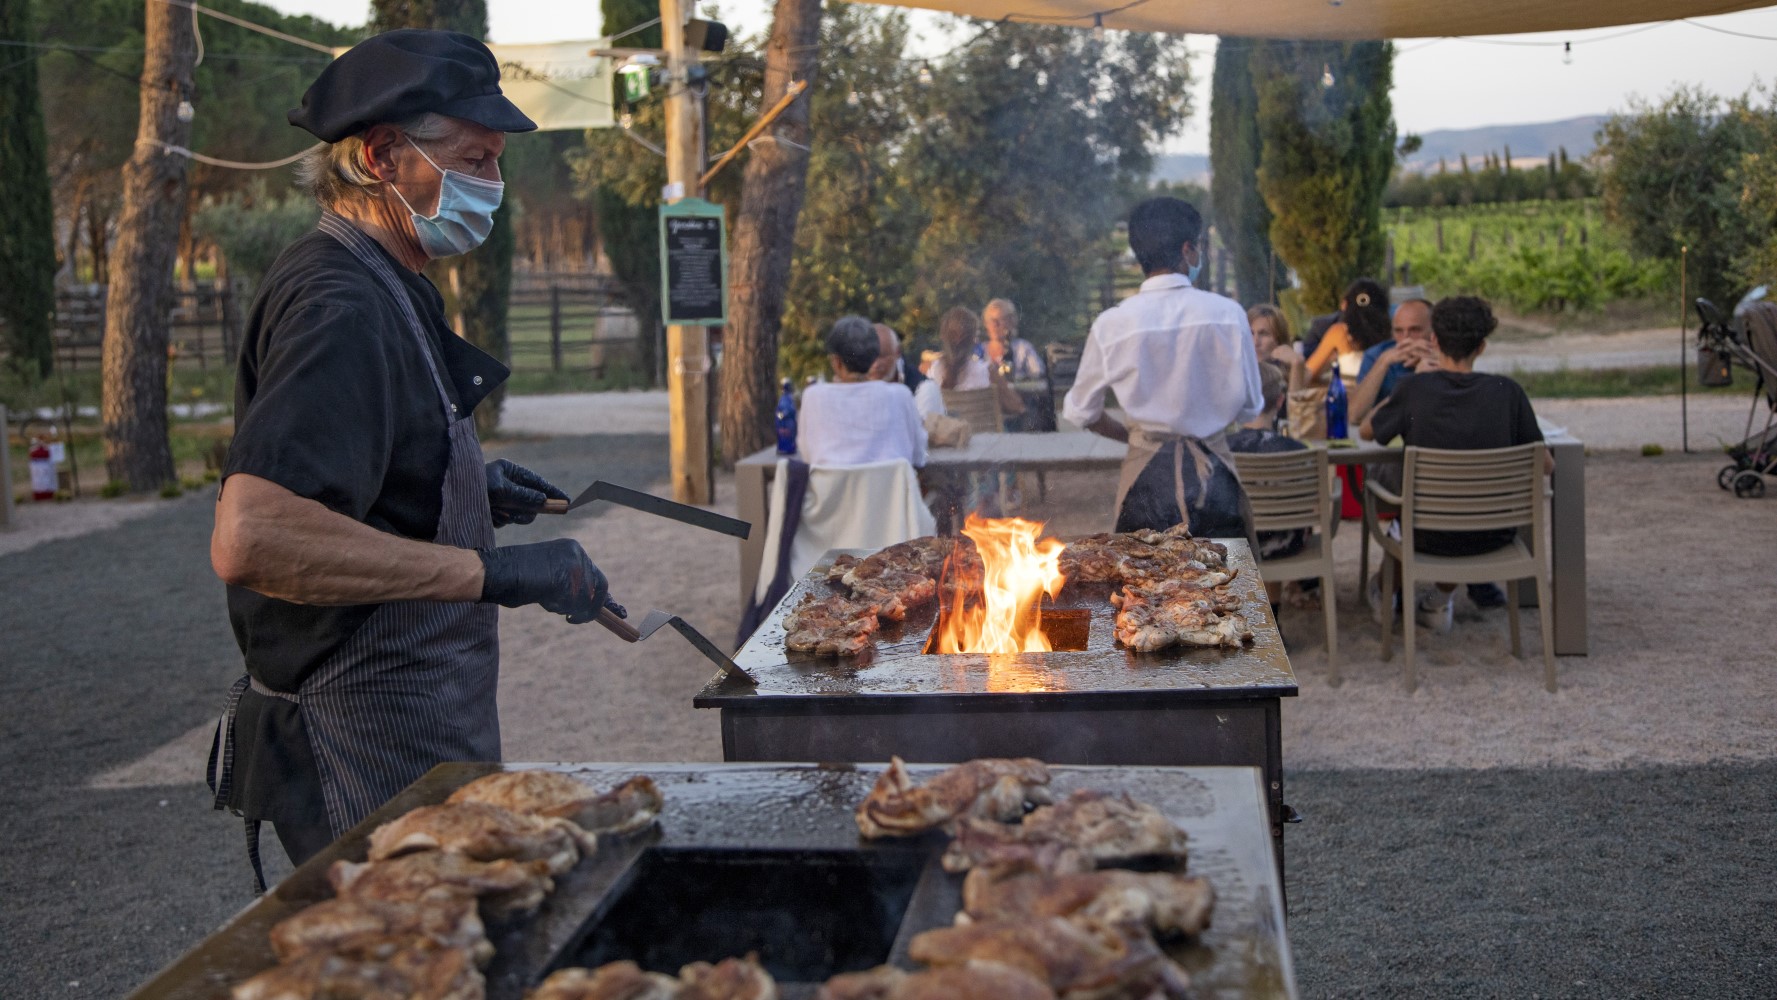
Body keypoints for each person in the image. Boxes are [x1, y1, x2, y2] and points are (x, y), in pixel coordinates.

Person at [206, 30, 625, 882]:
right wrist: (488, 573)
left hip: (419, 718)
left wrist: (460, 478)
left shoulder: (389, 281)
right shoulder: (340, 301)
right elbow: (256, 537)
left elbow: (357, 474)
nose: (494, 187)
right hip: (357, 733)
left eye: (498, 163)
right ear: (382, 156)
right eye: (473, 158)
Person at [1063, 196, 1264, 535]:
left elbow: (1082, 411)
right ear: (1188, 250)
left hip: (1145, 481)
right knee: (1227, 579)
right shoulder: (1228, 315)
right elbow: (1250, 407)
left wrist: (1135, 437)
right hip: (1214, 480)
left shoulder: (1112, 324)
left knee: (1143, 584)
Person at [1360, 296, 1554, 633]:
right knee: (1437, 518)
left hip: (1426, 537)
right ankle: (1437, 601)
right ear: (1481, 347)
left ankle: (1387, 596)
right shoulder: (1508, 392)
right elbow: (1546, 465)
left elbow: (1366, 430)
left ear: (1434, 340)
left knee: (1400, 519)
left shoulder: (1415, 389)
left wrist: (1406, 388)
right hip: (1496, 535)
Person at [1227, 361, 1311, 612]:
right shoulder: (1296, 450)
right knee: (1275, 525)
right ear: (1280, 401)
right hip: (1288, 544)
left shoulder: (1224, 448)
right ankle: (1273, 613)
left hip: (1239, 543)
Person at [799, 316, 928, 468]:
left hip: (832, 491)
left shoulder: (813, 397)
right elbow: (918, 457)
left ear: (836, 361)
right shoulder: (901, 395)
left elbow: (807, 456)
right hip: (888, 491)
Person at [914, 307, 1025, 421]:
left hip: (948, 437)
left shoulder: (928, 371)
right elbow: (1017, 407)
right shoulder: (988, 372)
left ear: (943, 336)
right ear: (974, 339)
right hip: (986, 437)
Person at [1349, 297, 1437, 425]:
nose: (1406, 338)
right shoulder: (1377, 355)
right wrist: (1382, 364)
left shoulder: (1445, 355)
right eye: (1398, 331)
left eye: (1415, 330)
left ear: (1433, 332)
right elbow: (1354, 416)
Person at [1304, 278, 1390, 383]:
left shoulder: (1339, 333)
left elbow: (1307, 374)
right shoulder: (1391, 335)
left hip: (1351, 397)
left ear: (1345, 305)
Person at [1248, 303, 1307, 396]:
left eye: (1264, 334)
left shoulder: (1291, 375)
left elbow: (1294, 408)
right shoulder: (1238, 373)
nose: (1255, 342)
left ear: (1279, 340)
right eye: (1250, 333)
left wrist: (1297, 363)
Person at [982, 298, 1046, 381]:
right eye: (991, 320)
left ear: (1011, 322)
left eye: (999, 320)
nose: (994, 325)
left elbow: (1038, 375)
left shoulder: (1023, 348)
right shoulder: (979, 351)